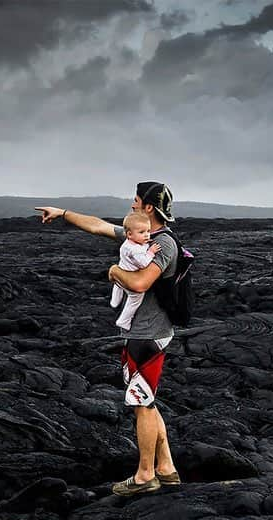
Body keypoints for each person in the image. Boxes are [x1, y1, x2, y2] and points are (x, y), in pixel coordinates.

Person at [35, 181, 181, 496]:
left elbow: (141, 282)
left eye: (136, 201)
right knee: (149, 401)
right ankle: (166, 467)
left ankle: (145, 476)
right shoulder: (143, 235)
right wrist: (62, 213)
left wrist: (115, 271)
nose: (131, 205)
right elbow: (100, 227)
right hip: (144, 333)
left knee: (142, 402)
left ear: (149, 208)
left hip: (148, 336)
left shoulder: (163, 244)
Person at [111, 211, 161, 331]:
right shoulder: (135, 250)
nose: (146, 235)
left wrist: (144, 245)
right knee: (135, 299)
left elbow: (136, 248)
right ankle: (124, 320)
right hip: (131, 278)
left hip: (122, 272)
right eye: (141, 232)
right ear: (129, 234)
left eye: (148, 231)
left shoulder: (127, 244)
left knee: (118, 285)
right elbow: (143, 263)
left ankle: (114, 302)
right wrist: (151, 252)